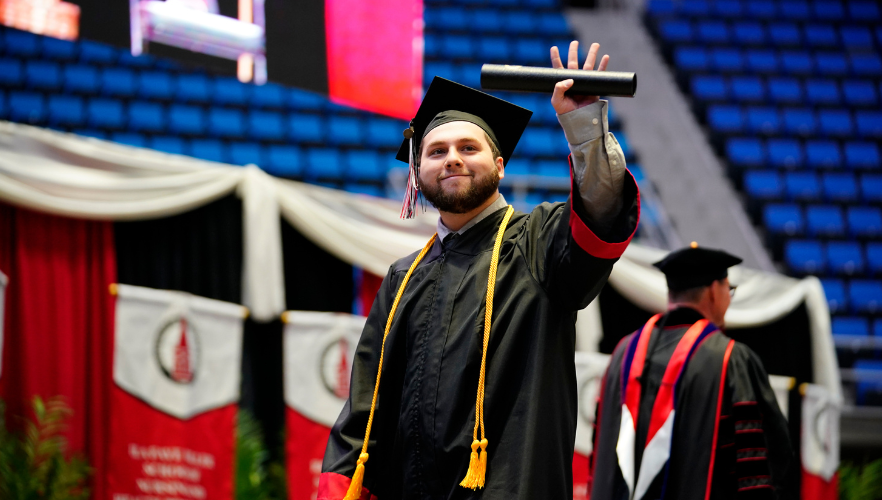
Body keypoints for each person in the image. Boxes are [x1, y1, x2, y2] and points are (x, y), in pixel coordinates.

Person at [319, 42, 640, 500]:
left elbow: (601, 212)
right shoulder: (403, 278)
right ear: (418, 173)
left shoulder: (537, 242)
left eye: (468, 148)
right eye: (436, 151)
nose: (452, 158)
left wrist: (585, 128)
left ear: (500, 166)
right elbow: (365, 412)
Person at [588, 244, 797, 500]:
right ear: (714, 292)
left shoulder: (622, 354)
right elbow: (768, 458)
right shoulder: (731, 359)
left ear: (671, 294)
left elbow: (599, 454)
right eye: (729, 289)